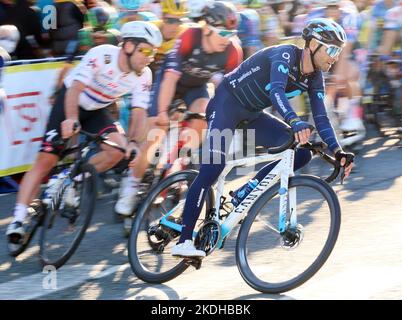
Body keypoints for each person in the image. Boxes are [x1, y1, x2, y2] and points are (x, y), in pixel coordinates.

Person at [170, 18, 355, 257]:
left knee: (302, 153)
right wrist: (295, 120)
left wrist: (337, 151)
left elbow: (321, 118)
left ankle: (246, 190)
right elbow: (276, 90)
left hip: (252, 114)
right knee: (212, 169)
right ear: (312, 45)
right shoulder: (285, 55)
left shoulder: (315, 77)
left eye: (338, 51)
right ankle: (184, 241)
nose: (335, 57)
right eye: (331, 49)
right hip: (226, 104)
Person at [5, 21, 162, 251]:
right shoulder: (101, 55)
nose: (149, 57)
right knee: (46, 160)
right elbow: (74, 89)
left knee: (119, 151)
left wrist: (134, 143)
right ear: (128, 46)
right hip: (70, 104)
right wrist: (70, 119)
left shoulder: (144, 74)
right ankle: (18, 219)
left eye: (154, 53)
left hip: (98, 110)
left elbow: (139, 112)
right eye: (146, 50)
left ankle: (73, 178)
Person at [114, 1, 243, 217]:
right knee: (155, 133)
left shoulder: (232, 50)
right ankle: (131, 184)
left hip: (196, 87)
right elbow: (169, 80)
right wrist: (162, 112)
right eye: (222, 32)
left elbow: (228, 91)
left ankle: (178, 160)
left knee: (203, 113)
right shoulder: (189, 38)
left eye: (231, 33)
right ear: (208, 27)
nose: (227, 39)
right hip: (171, 84)